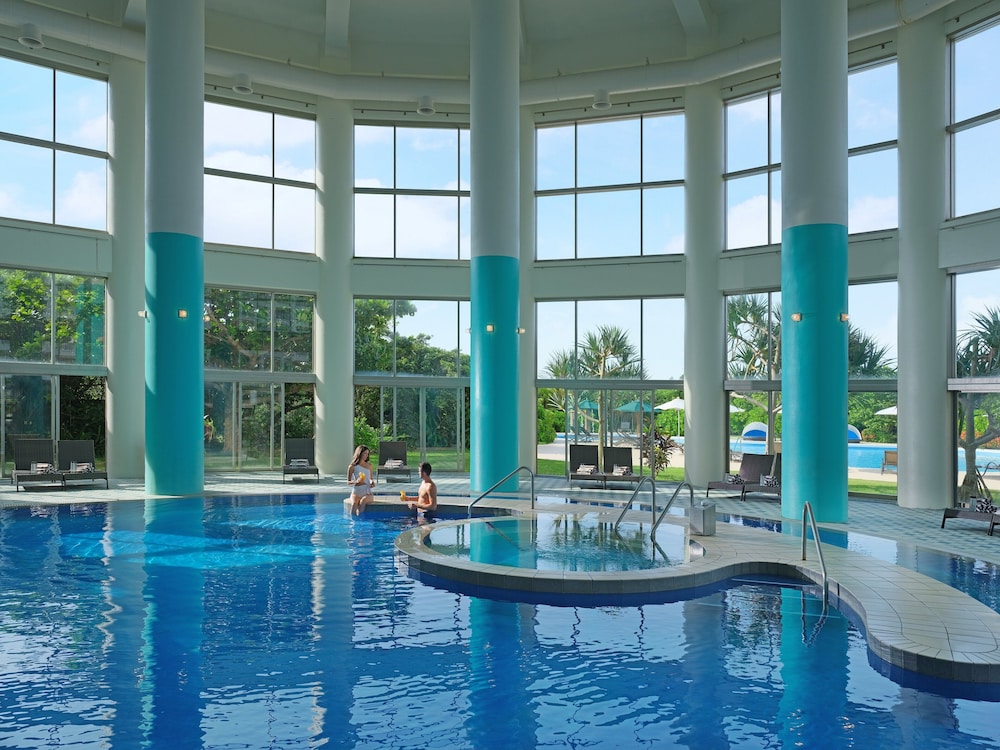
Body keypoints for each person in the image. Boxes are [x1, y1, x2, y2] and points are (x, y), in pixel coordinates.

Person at [347, 445, 376, 515]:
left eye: (367, 454)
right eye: (365, 453)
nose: (366, 455)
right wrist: (356, 481)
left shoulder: (369, 466)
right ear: (359, 453)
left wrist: (372, 482)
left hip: (367, 493)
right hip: (356, 492)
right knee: (354, 504)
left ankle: (361, 520)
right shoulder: (352, 467)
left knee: (362, 502)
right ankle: (352, 521)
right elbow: (348, 482)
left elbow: (370, 479)